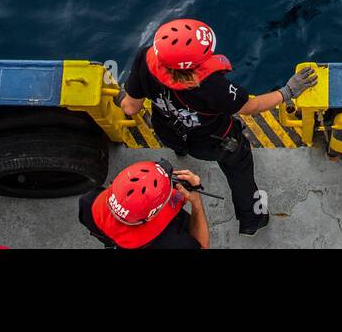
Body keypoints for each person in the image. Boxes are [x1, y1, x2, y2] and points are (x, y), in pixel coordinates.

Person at [120, 18, 318, 236]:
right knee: (240, 171)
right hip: (211, 143)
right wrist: (287, 92)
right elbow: (250, 107)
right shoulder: (214, 88)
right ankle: (253, 219)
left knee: (178, 142)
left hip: (167, 130)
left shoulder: (144, 58)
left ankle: (181, 151)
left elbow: (130, 108)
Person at [79, 158, 209, 249]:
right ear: (151, 216)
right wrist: (196, 201)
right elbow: (202, 246)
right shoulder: (172, 243)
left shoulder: (88, 202)